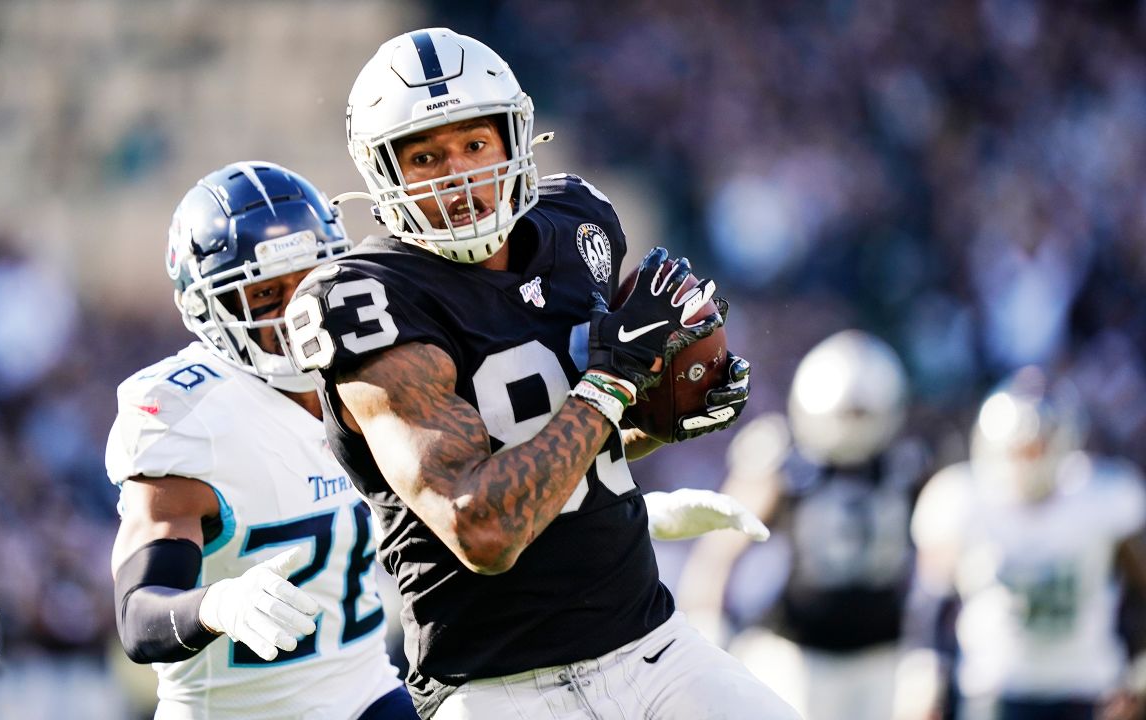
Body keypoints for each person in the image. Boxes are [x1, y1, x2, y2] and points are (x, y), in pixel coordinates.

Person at [286, 28, 799, 720]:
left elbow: (561, 439)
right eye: (427, 157)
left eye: (475, 145)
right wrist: (617, 382)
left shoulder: (577, 223)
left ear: (514, 139)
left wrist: (654, 415)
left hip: (649, 641)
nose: (460, 176)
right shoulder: (368, 300)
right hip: (495, 684)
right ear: (385, 174)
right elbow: (481, 528)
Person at [105, 162, 417, 719]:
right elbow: (137, 617)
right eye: (266, 294)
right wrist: (215, 605)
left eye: (309, 279)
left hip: (368, 696)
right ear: (212, 307)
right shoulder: (187, 414)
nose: (297, 308)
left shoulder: (376, 370)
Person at [676, 330, 932, 720]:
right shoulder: (787, 461)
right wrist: (708, 626)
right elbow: (720, 548)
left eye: (860, 413)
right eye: (845, 413)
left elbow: (938, 560)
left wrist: (927, 651)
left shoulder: (905, 465)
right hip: (797, 648)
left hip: (883, 652)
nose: (851, 425)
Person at [910, 367, 1146, 720]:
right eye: (1018, 449)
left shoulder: (1104, 498)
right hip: (995, 685)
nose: (1027, 460)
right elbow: (932, 600)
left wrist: (1138, 673)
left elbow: (1140, 589)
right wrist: (925, 676)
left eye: (1037, 448)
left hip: (1086, 686)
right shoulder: (963, 499)